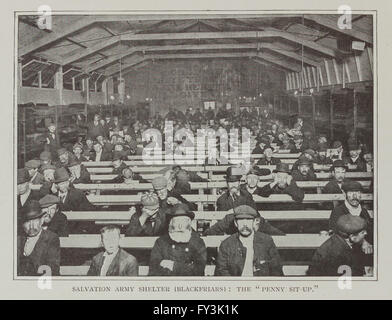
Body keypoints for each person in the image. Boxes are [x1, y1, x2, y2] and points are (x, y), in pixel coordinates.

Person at [214, 205, 282, 276]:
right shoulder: (226, 244)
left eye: (248, 220)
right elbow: (221, 271)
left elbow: (276, 269)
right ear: (235, 223)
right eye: (241, 220)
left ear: (255, 221)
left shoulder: (267, 241)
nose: (245, 224)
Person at [149, 204, 207, 276]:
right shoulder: (161, 242)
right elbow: (154, 269)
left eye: (183, 221)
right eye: (177, 221)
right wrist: (187, 267)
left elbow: (199, 271)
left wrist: (173, 266)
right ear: (171, 223)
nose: (180, 226)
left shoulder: (197, 242)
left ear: (188, 223)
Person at [308, 215, 372, 276]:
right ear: (352, 237)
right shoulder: (336, 254)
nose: (366, 233)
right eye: (362, 232)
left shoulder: (339, 239)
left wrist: (363, 241)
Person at [17, 200, 60, 276]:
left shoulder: (51, 238)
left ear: (42, 220)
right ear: (22, 224)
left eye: (35, 221)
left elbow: (52, 269)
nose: (31, 226)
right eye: (27, 222)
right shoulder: (18, 239)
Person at [329, 181, 373, 251]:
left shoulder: (364, 211)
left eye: (358, 192)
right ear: (344, 194)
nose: (355, 196)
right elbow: (336, 236)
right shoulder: (337, 211)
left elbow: (370, 232)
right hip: (344, 251)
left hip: (363, 251)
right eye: (351, 192)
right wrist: (362, 241)